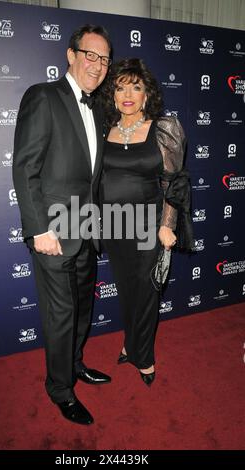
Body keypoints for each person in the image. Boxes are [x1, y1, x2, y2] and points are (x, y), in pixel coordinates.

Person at [13, 24, 112, 426]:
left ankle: (75, 365)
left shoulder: (99, 107)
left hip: (88, 229)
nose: (98, 65)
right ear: (70, 56)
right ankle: (59, 389)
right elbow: (26, 168)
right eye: (91, 55)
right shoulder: (43, 97)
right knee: (60, 315)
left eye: (104, 59)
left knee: (83, 310)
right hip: (52, 233)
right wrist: (40, 231)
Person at [100, 58, 193, 386]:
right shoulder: (104, 128)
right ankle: (129, 342)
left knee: (147, 292)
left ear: (146, 95)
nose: (127, 93)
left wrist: (168, 224)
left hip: (149, 225)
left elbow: (172, 181)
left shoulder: (163, 128)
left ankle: (144, 356)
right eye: (121, 87)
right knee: (127, 291)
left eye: (135, 87)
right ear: (112, 94)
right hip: (114, 225)